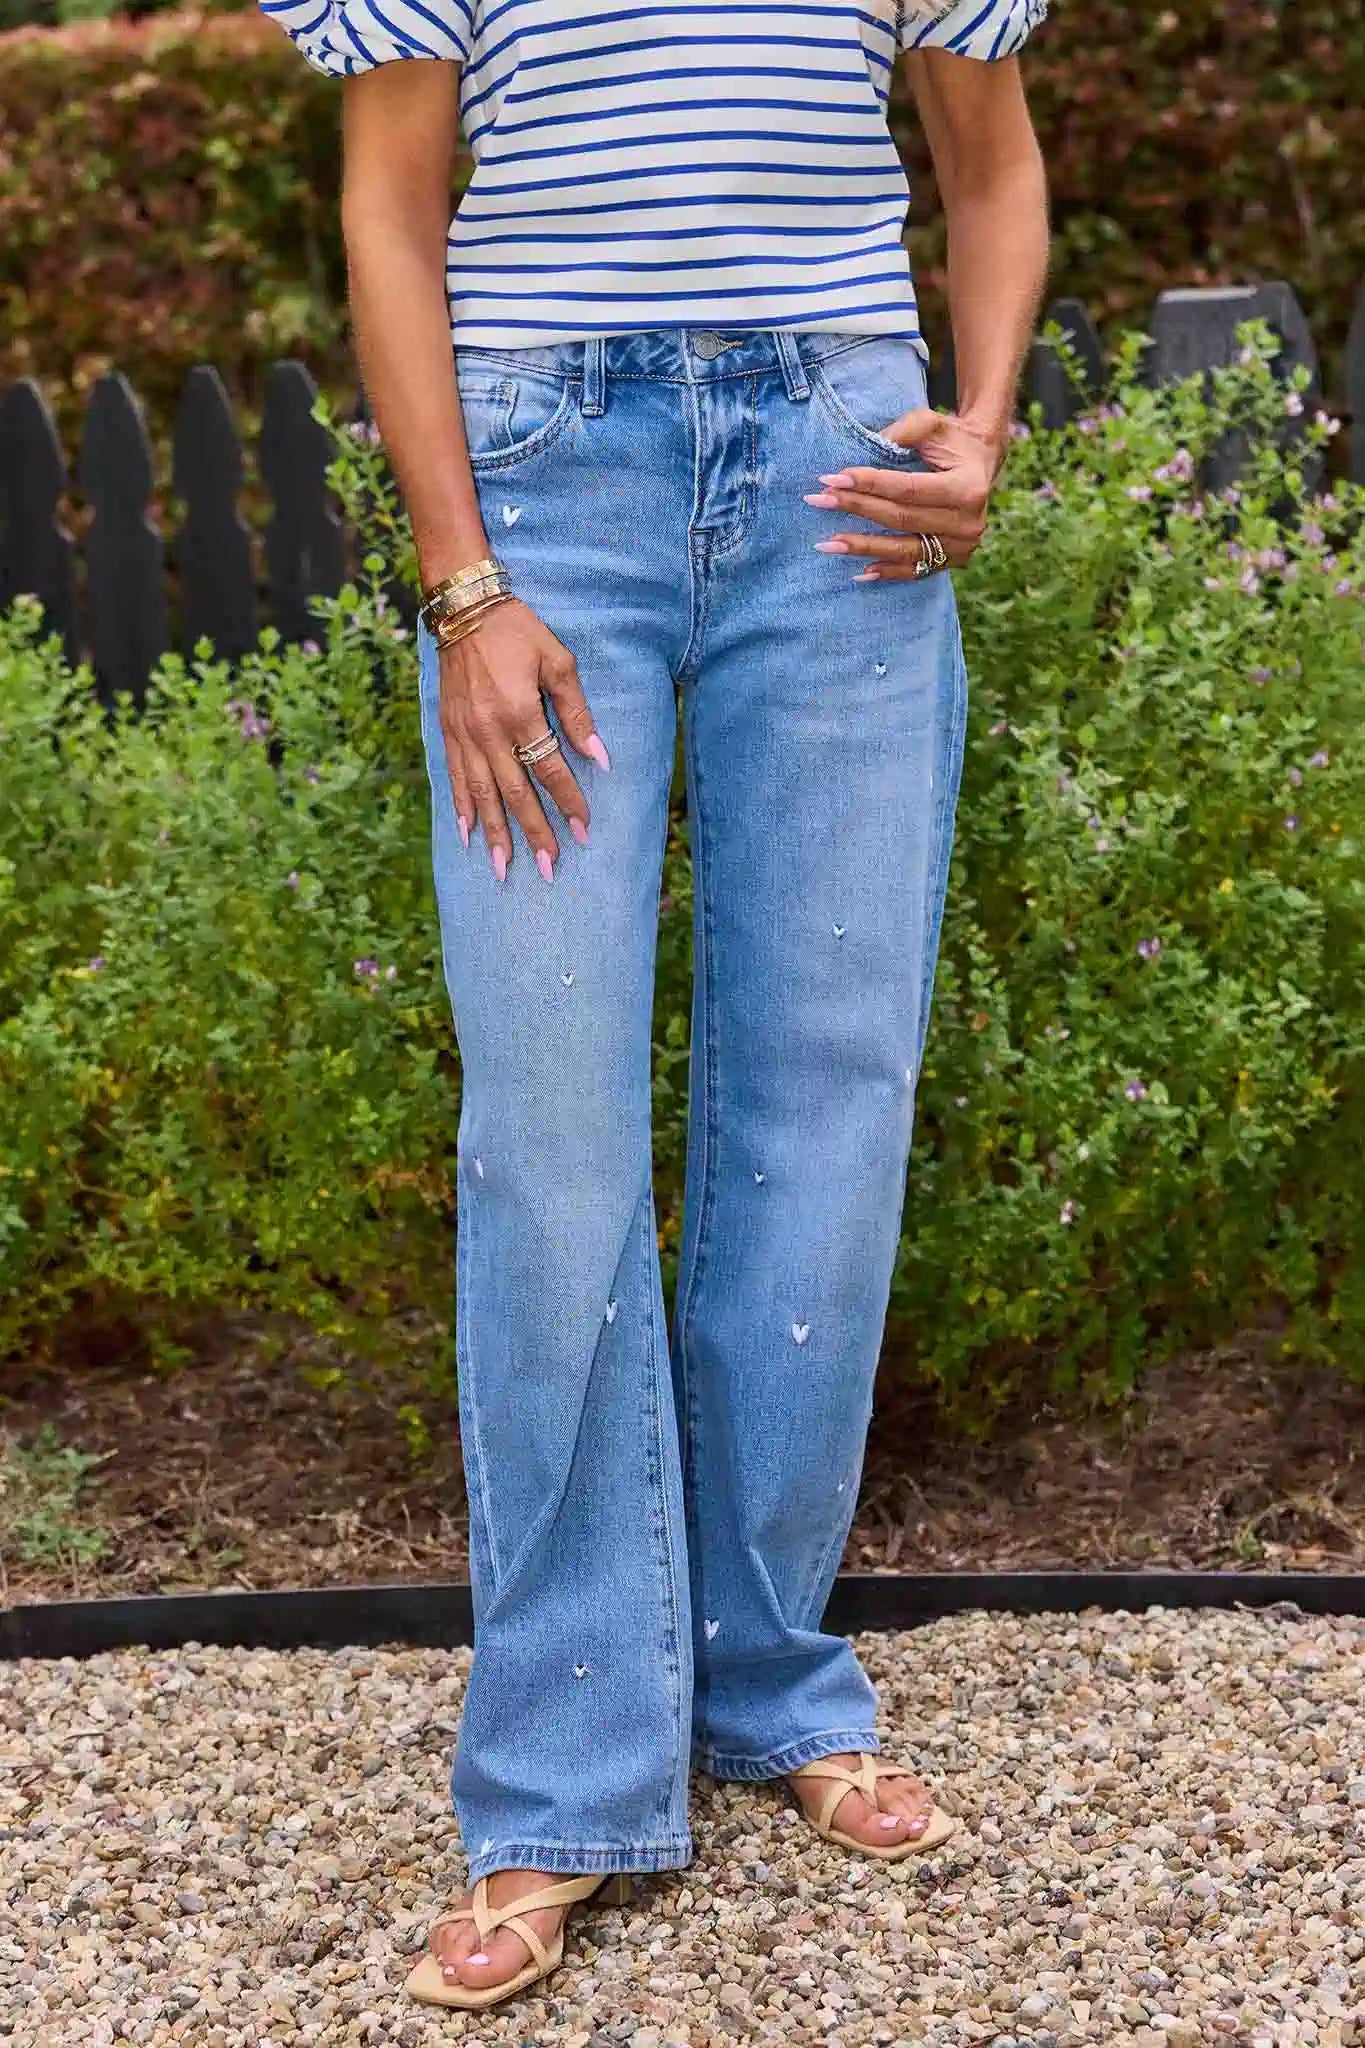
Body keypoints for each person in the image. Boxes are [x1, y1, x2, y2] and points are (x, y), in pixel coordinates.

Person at [259, 0, 1050, 2013]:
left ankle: (768, 1674)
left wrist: (981, 422)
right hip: (547, 499)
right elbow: (388, 208)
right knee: (547, 1137)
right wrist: (460, 585)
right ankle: (558, 1771)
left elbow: (986, 158)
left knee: (822, 1093)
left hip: (842, 498)